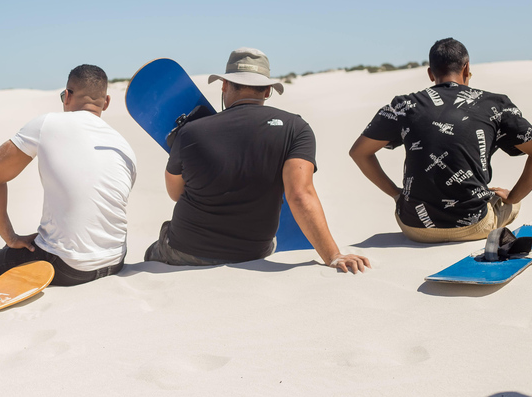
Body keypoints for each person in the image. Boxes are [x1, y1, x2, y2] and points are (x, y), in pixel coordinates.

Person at [144, 47, 370, 273]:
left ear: (224, 85)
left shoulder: (189, 132)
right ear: (268, 91)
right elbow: (300, 195)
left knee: (154, 250)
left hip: (187, 251)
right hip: (254, 253)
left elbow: (175, 194)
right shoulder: (296, 129)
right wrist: (333, 255)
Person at [349, 38, 532, 242]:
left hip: (414, 227)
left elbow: (359, 152)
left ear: (430, 73)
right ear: (467, 68)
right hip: (474, 226)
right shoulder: (495, 104)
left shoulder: (404, 105)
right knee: (512, 202)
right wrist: (514, 197)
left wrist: (396, 195)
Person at [0, 64, 137, 286]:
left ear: (67, 96)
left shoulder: (47, 124)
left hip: (66, 266)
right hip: (115, 260)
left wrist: (10, 238)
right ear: (106, 102)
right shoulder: (123, 145)